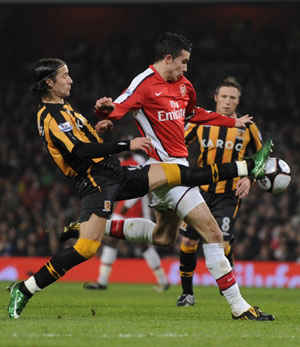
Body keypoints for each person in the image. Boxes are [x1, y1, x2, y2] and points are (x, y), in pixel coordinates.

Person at [7, 57, 270, 319]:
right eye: (65, 76)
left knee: (179, 173)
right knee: (87, 249)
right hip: (96, 182)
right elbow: (80, 150)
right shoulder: (51, 115)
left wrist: (101, 131)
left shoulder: (65, 109)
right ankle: (26, 288)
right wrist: (126, 144)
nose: (70, 80)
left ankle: (247, 167)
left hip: (112, 172)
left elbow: (87, 142)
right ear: (49, 82)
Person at [93, 32, 274, 320]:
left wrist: (231, 121)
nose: (186, 68)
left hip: (171, 173)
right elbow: (119, 106)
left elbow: (194, 114)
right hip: (166, 173)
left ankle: (96, 227)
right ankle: (240, 307)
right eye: (184, 62)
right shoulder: (143, 83)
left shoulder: (184, 86)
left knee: (163, 237)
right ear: (168, 58)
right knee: (213, 233)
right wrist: (106, 113)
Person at [177, 76, 263, 306]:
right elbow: (177, 145)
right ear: (215, 98)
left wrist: (250, 178)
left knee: (222, 243)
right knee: (188, 244)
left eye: (232, 98)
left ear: (238, 101)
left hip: (228, 194)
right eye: (223, 96)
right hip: (200, 191)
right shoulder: (200, 122)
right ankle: (187, 293)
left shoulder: (248, 127)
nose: (227, 101)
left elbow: (262, 157)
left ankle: (229, 284)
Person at [83, 152, 169, 291]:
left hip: (137, 209)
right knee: (111, 239)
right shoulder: (119, 161)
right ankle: (102, 281)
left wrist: (127, 206)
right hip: (121, 209)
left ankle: (163, 281)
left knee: (143, 245)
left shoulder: (138, 160)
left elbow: (141, 184)